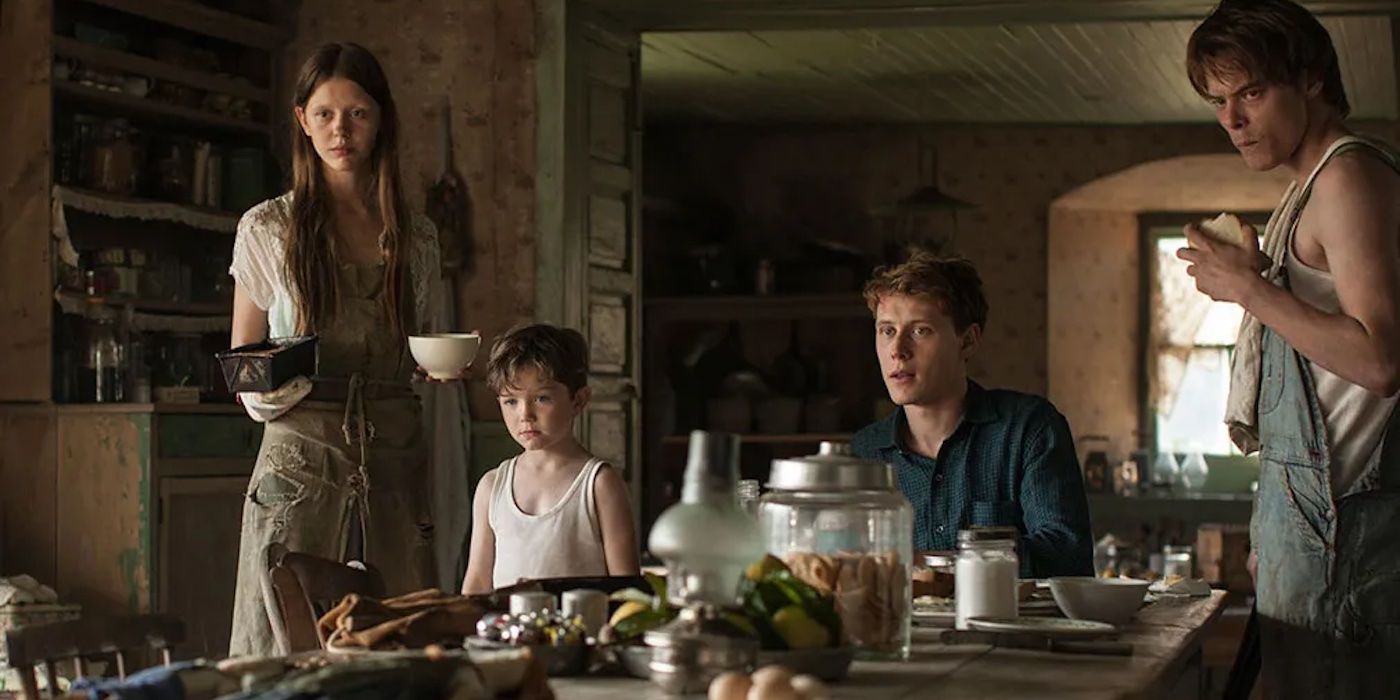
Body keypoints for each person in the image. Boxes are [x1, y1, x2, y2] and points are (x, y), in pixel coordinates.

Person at [1178, 1, 1400, 695]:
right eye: (1218, 100)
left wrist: (1251, 289)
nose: (1231, 120)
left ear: (1309, 80)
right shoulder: (1306, 191)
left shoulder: (1346, 176)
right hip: (1315, 537)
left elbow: (1380, 360)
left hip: (1349, 544)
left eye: (1250, 92)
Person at [227, 43, 452, 657]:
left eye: (356, 113)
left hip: (395, 452)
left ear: (381, 120)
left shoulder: (416, 234)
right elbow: (244, 361)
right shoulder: (269, 227)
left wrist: (434, 371)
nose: (340, 130)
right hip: (299, 455)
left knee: (404, 634)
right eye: (324, 114)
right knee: (280, 645)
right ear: (302, 120)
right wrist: (280, 378)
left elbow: (421, 343)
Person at [849, 251, 1092, 577]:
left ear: (967, 342)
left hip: (1013, 627)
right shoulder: (863, 453)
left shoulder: (1029, 429)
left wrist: (934, 564)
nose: (897, 350)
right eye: (887, 330)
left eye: (920, 331)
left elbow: (1067, 557)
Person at [460, 324, 640, 593]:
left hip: (579, 633)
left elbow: (627, 590)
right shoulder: (491, 486)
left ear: (579, 401)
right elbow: (476, 583)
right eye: (511, 401)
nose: (525, 415)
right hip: (506, 634)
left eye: (542, 398)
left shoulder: (599, 484)